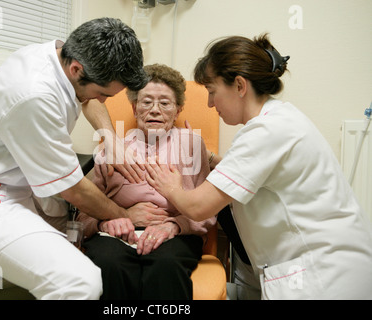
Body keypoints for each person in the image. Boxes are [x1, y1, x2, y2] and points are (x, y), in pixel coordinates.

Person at [0, 17, 169, 300]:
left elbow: (85, 98)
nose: (102, 102)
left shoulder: (61, 53)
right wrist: (124, 214)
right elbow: (73, 188)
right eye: (103, 94)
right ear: (77, 69)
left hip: (17, 189)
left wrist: (109, 137)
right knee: (80, 282)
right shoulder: (33, 93)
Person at [145, 34, 372, 299]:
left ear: (239, 86)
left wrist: (170, 187)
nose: (209, 104)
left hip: (323, 275)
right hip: (317, 265)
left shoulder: (266, 131)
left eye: (212, 92)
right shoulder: (278, 119)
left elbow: (198, 207)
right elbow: (255, 175)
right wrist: (208, 158)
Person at [77, 64, 217, 300]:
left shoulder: (192, 145)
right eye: (146, 102)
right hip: (116, 234)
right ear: (134, 108)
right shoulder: (113, 148)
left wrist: (174, 225)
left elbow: (208, 210)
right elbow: (83, 215)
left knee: (166, 265)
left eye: (165, 103)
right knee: (109, 263)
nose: (154, 110)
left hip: (175, 234)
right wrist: (104, 223)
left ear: (178, 109)